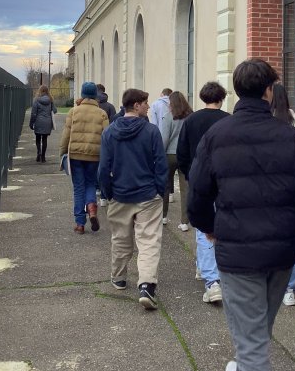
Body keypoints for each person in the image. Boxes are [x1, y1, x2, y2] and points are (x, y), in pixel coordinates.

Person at [188, 58, 295, 371]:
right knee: (258, 334)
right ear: (270, 90)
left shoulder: (217, 136)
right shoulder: (288, 135)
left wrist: (209, 229)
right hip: (279, 253)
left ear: (237, 90)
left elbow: (198, 194)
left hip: (238, 252)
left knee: (253, 341)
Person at [97, 88, 168, 310]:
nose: (148, 106)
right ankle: (146, 285)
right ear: (136, 106)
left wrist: (108, 192)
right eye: (145, 103)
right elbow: (161, 164)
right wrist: (159, 189)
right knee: (148, 241)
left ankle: (118, 277)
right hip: (148, 195)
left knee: (120, 238)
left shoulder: (109, 133)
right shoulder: (151, 131)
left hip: (120, 194)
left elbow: (103, 169)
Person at [176, 81, 230, 305]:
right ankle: (210, 270)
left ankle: (211, 279)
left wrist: (189, 173)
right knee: (219, 226)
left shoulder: (191, 120)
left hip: (199, 179)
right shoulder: (228, 120)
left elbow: (182, 152)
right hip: (224, 181)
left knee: (203, 227)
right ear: (222, 98)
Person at [271, 82, 295, 308]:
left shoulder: (265, 124)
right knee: (292, 238)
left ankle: (277, 284)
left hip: (270, 190)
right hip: (292, 189)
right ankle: (289, 287)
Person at [59, 81, 109, 234]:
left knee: (78, 188)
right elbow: (107, 136)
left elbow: (66, 134)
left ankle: (80, 223)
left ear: (82, 94)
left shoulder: (74, 111)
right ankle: (92, 207)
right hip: (95, 155)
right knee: (91, 184)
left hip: (75, 155)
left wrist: (62, 152)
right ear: (95, 95)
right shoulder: (101, 113)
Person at [160, 91, 192, 230]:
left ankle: (164, 216)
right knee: (185, 188)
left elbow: (164, 138)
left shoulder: (168, 117)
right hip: (185, 154)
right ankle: (185, 222)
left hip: (169, 155)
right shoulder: (191, 116)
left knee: (165, 186)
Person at [29, 84, 57, 163]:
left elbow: (33, 113)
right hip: (47, 122)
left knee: (38, 138)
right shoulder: (50, 100)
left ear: (40, 91)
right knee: (44, 139)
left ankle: (39, 152)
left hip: (38, 122)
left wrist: (31, 123)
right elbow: (55, 110)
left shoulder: (36, 100)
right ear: (47, 91)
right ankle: (43, 157)